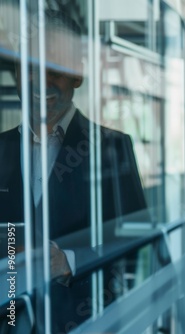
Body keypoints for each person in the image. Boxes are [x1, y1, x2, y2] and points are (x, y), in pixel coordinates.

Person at [0, 10, 149, 333]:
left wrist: (71, 260)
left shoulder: (113, 147)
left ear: (78, 73)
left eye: (56, 66)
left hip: (86, 324)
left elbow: (138, 246)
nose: (42, 80)